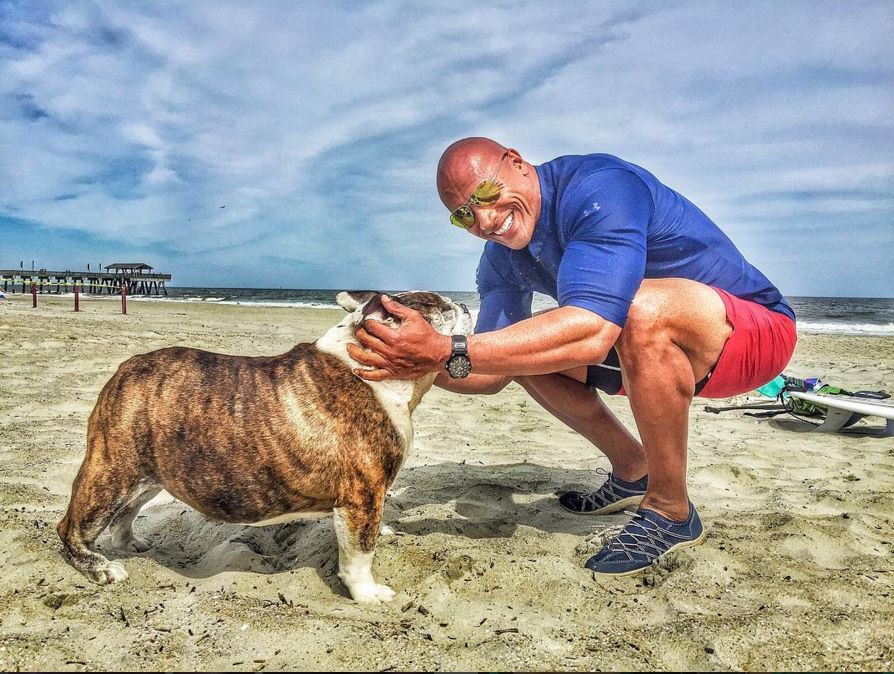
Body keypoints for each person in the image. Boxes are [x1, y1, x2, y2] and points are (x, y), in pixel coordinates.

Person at [348, 137, 796, 577]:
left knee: (638, 310)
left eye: (485, 193)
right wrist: (412, 361)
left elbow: (595, 331)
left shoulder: (598, 187)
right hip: (649, 352)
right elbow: (489, 373)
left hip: (753, 335)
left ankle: (671, 509)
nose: (484, 219)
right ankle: (634, 470)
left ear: (516, 162)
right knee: (518, 349)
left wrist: (445, 348)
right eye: (464, 214)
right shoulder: (500, 260)